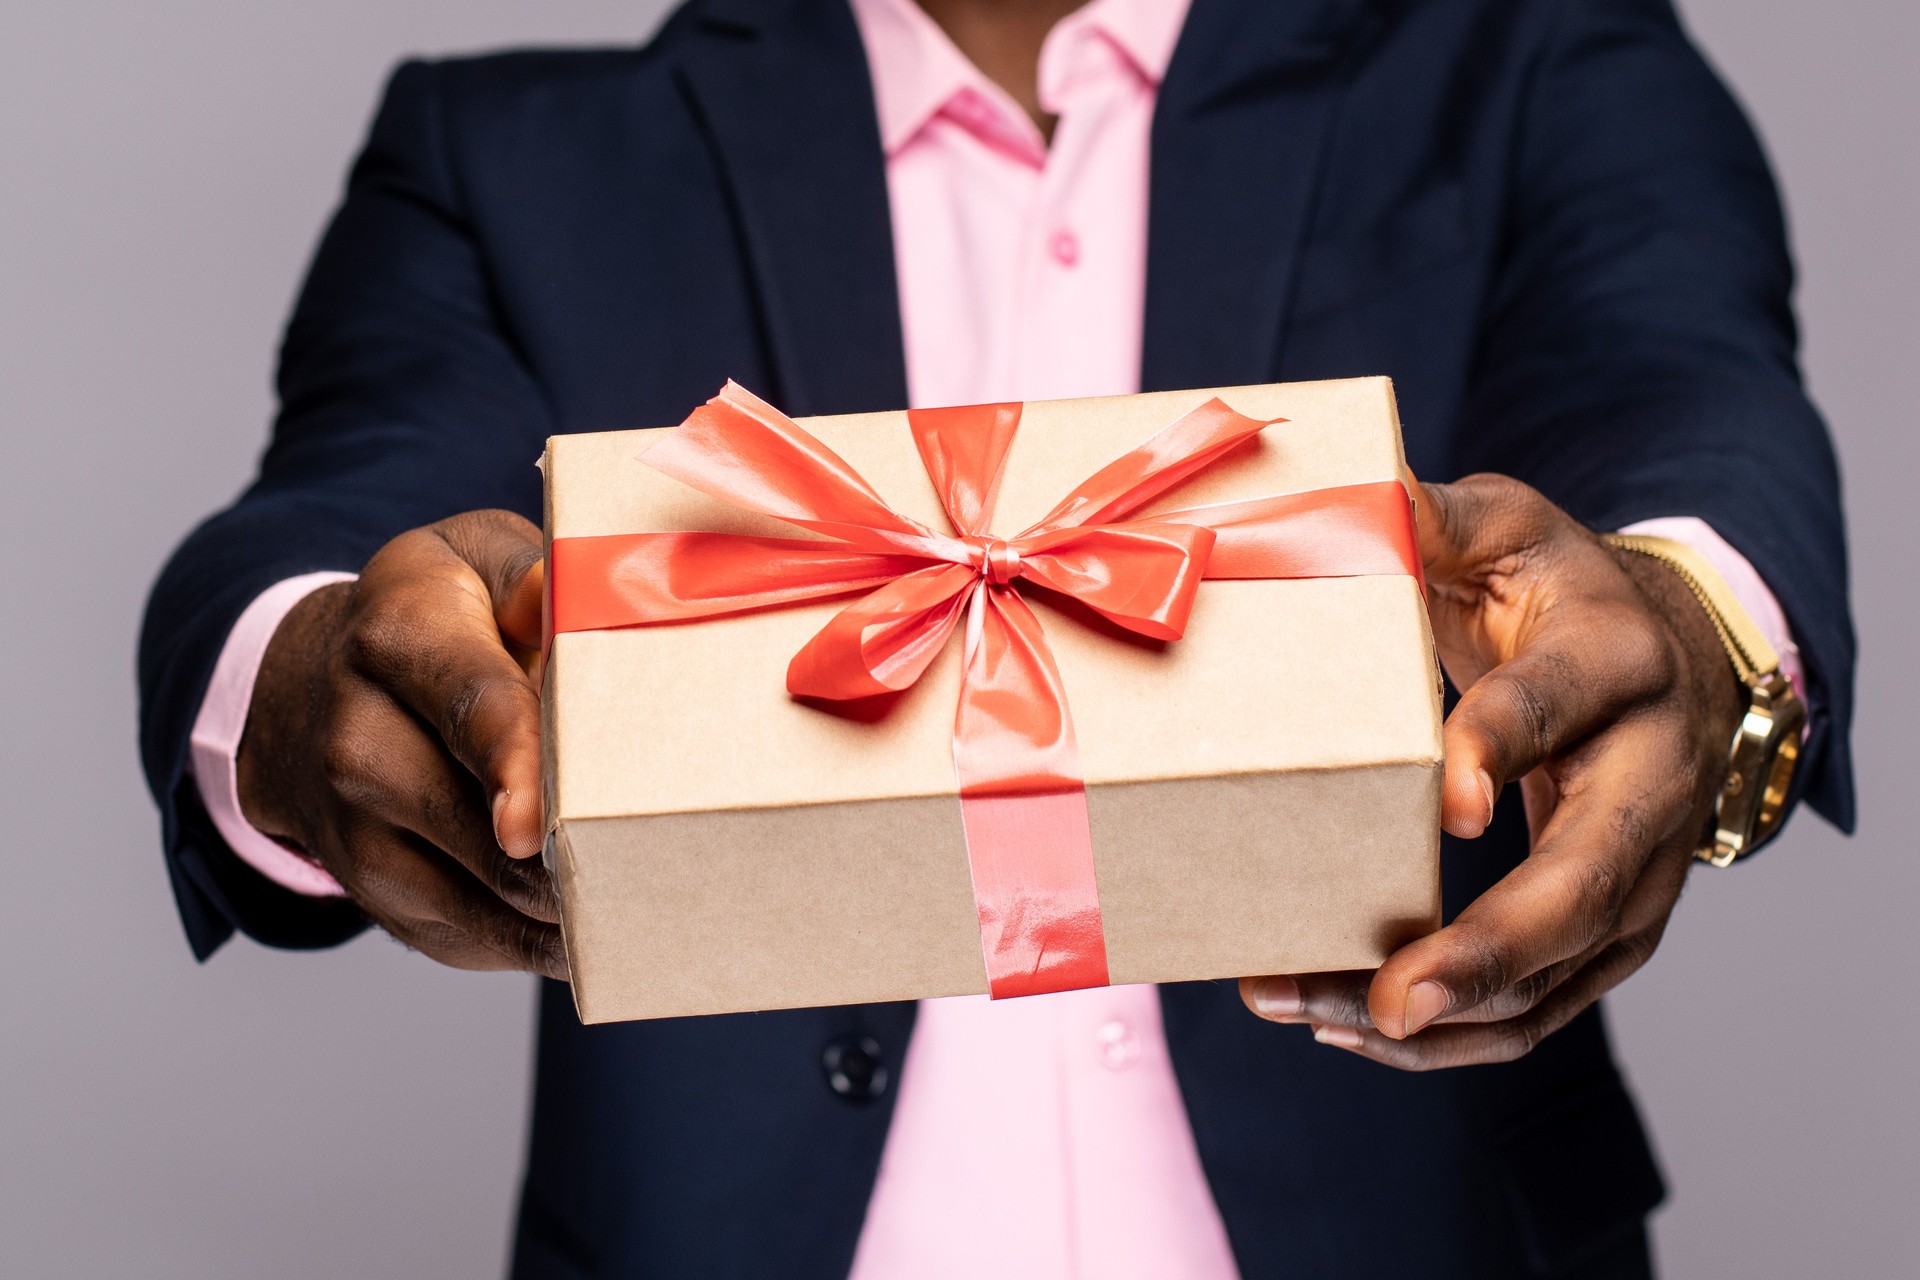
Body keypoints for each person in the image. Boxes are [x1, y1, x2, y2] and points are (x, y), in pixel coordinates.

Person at [138, 0, 1853, 1276]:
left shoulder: (1538, 64)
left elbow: (1688, 398)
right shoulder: (505, 155)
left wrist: (1696, 641)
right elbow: (315, 531)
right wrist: (304, 691)